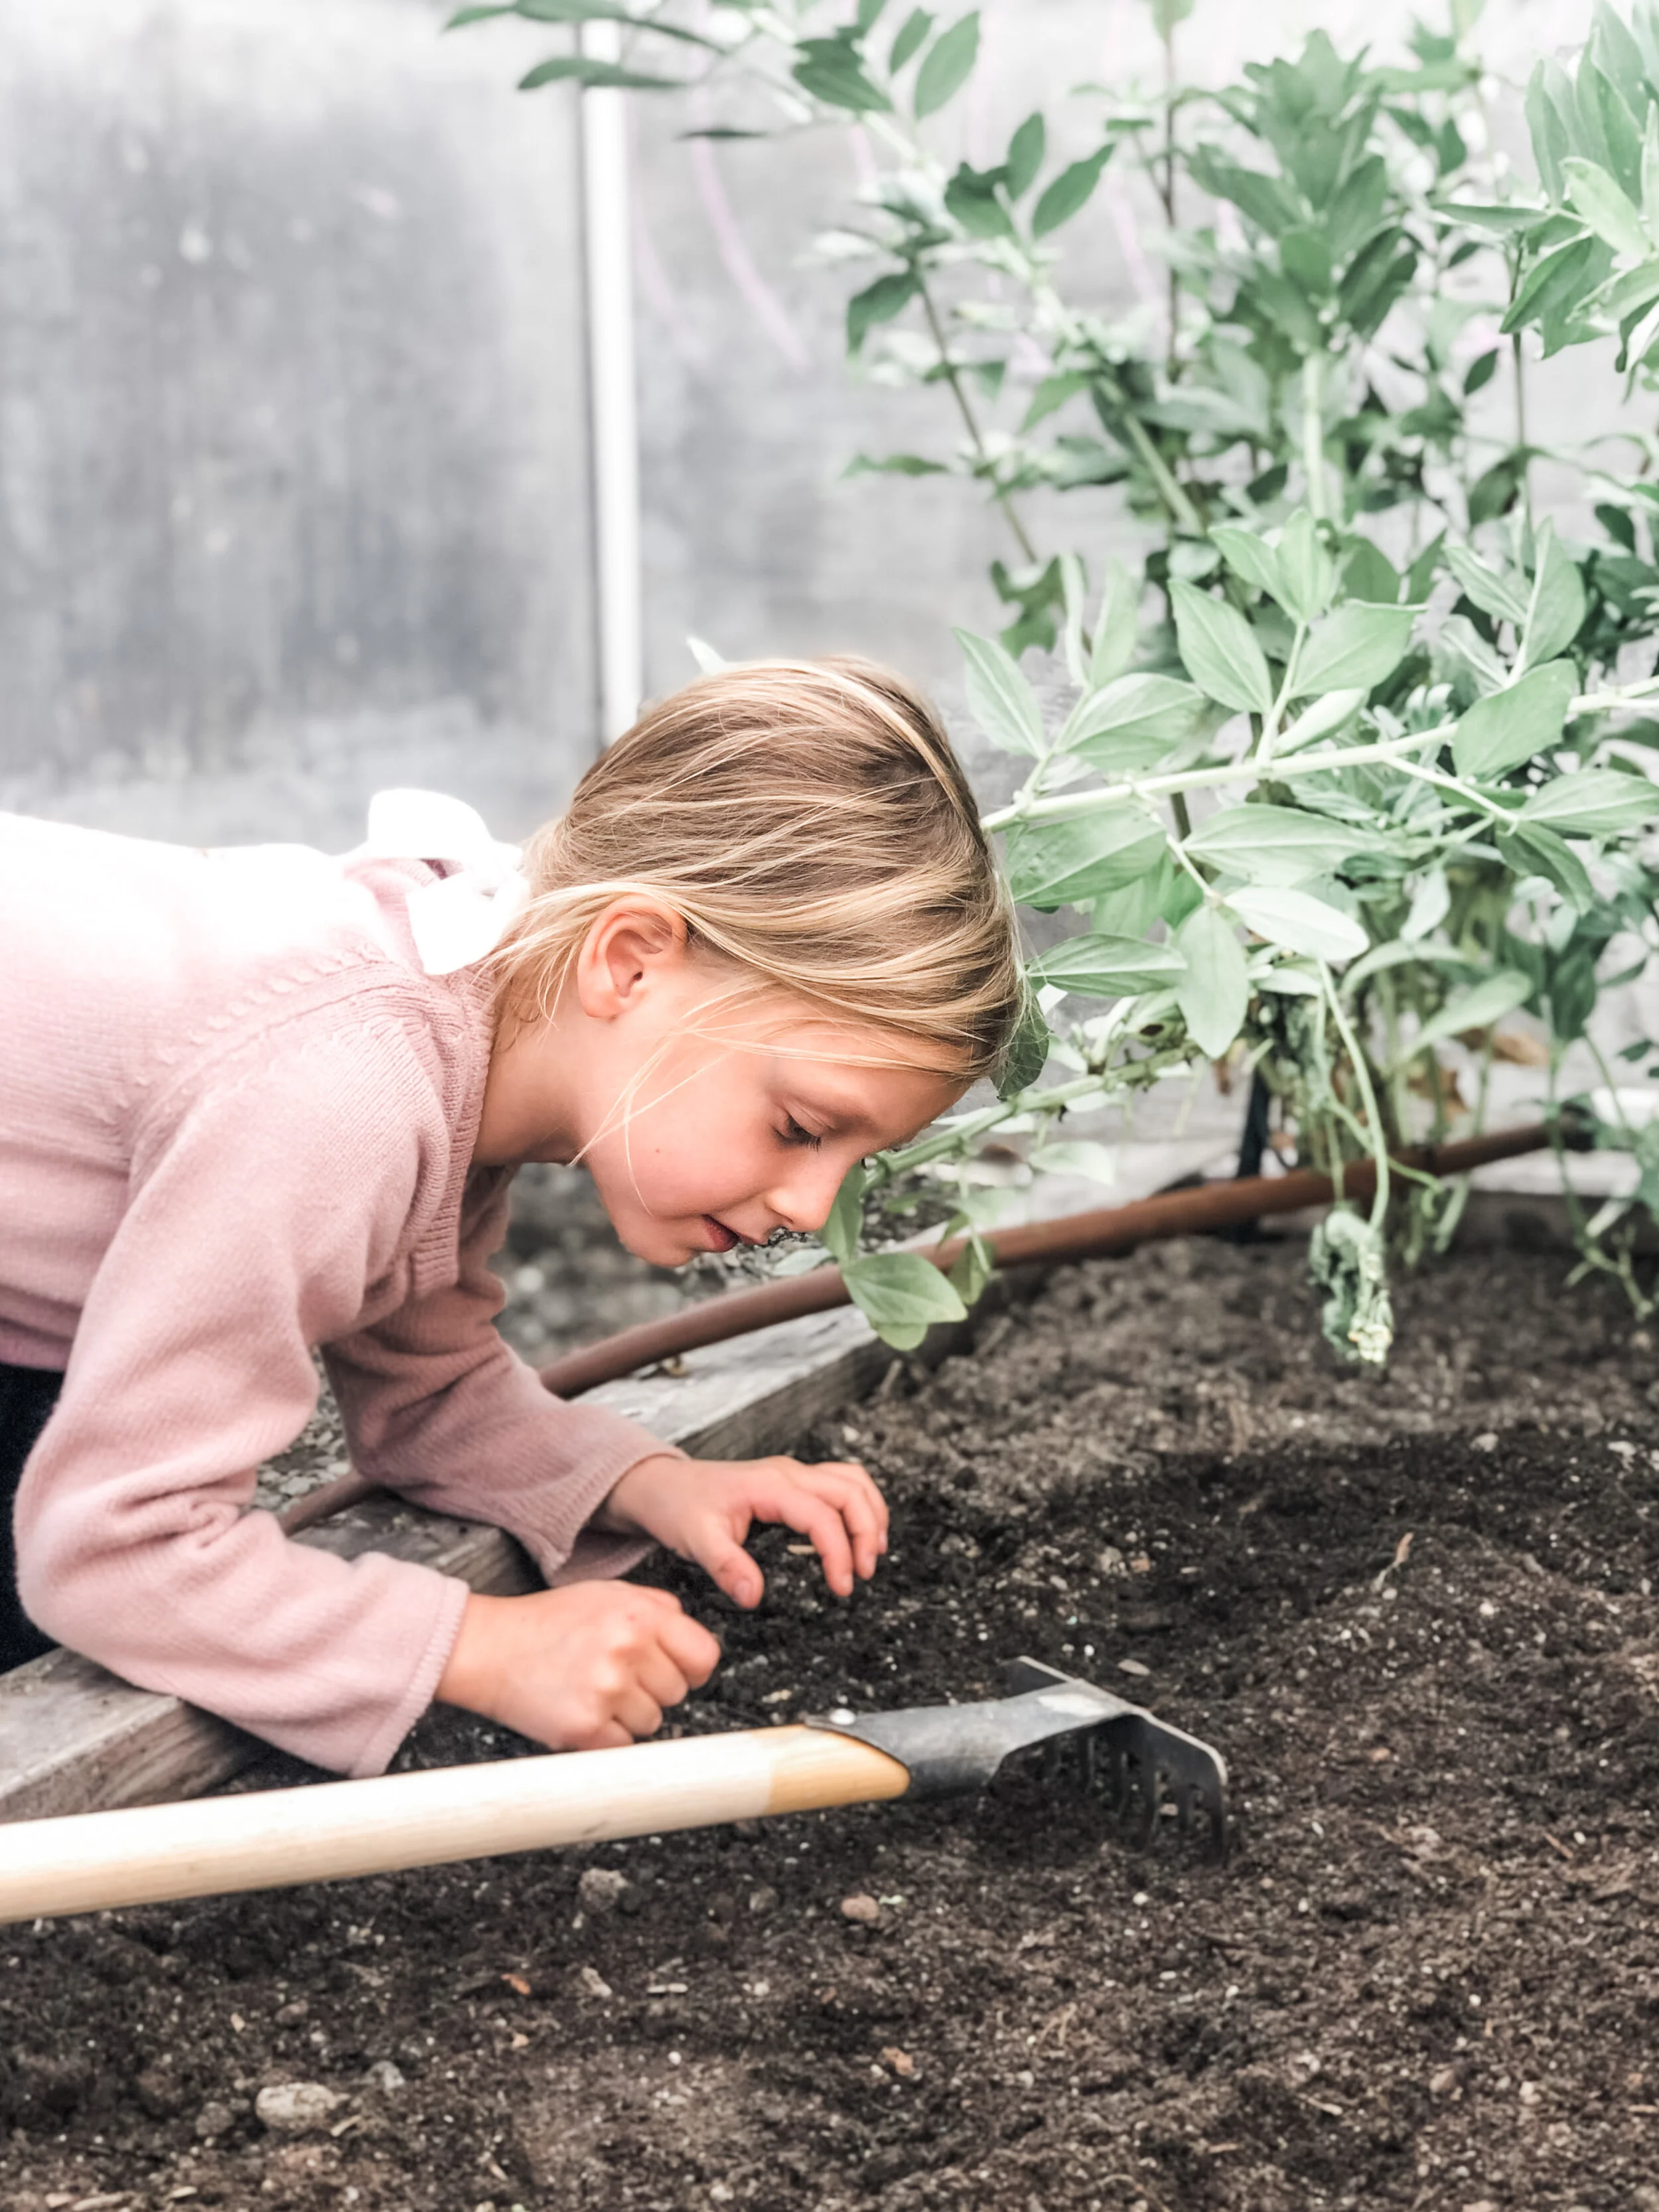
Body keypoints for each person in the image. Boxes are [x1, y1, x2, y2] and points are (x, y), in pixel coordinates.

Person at [0, 658, 1022, 1776]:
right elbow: (117, 1546)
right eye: (799, 1125)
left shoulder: (469, 1016)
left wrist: (652, 1484)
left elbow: (426, 1384)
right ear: (630, 964)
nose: (814, 1207)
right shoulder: (341, 1096)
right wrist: (477, 1647)